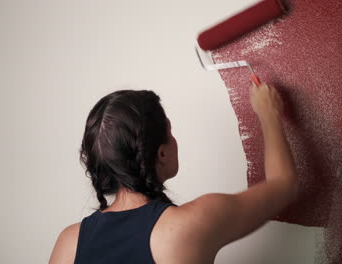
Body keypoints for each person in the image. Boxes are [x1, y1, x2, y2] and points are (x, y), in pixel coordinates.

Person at [49, 82, 298, 264]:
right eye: (170, 131)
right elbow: (284, 184)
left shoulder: (68, 243)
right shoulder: (189, 224)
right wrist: (269, 115)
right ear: (162, 154)